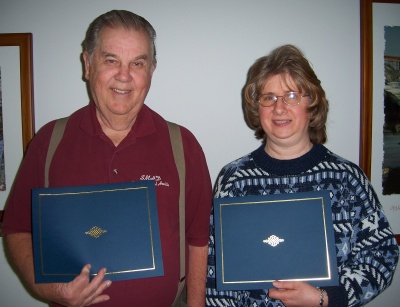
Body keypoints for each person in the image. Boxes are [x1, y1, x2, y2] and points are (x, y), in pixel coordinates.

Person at [2, 10, 212, 307]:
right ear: (88, 64)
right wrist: (51, 291)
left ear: (151, 70)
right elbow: (17, 228)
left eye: (137, 63)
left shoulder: (183, 146)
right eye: (111, 60)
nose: (124, 76)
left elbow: (198, 238)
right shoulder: (49, 142)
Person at [206, 44, 399, 307]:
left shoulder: (346, 179)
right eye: (269, 97)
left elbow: (382, 255)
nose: (279, 107)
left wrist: (326, 298)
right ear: (257, 107)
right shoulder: (234, 180)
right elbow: (215, 270)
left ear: (312, 103)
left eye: (292, 95)